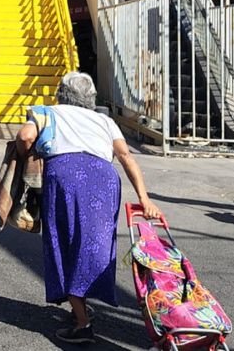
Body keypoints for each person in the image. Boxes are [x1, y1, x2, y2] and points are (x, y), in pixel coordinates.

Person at [14, 72, 161, 345]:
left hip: (66, 178)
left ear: (62, 92)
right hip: (104, 179)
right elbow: (126, 156)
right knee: (94, 244)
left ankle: (82, 322)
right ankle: (80, 305)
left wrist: (25, 159)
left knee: (65, 244)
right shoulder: (104, 121)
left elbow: (24, 137)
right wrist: (145, 198)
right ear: (90, 98)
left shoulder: (48, 112)